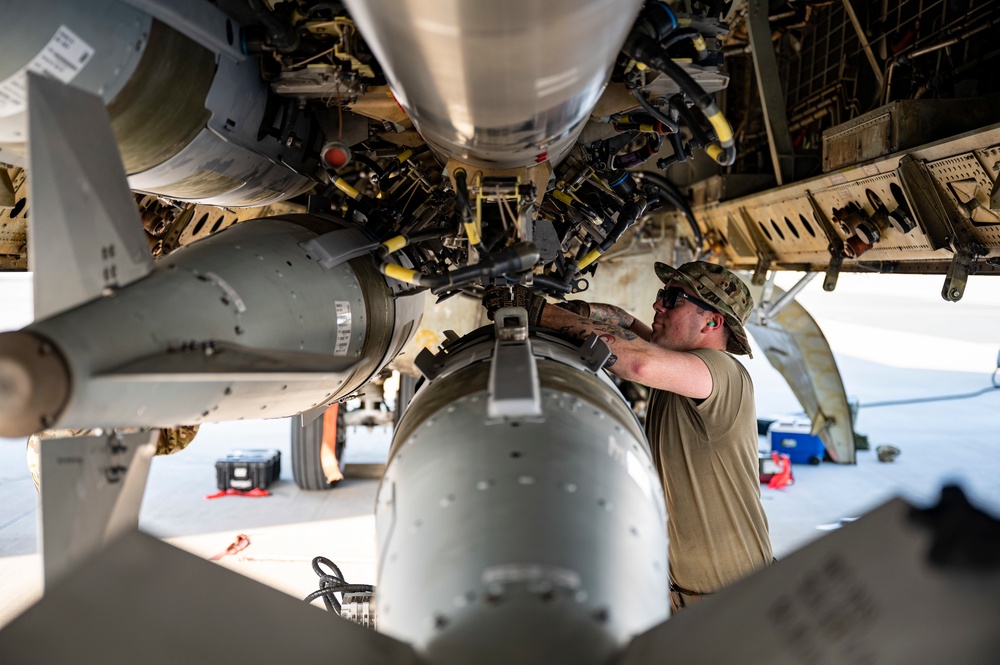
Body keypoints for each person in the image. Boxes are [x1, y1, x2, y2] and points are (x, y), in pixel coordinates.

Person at [483, 261, 772, 612]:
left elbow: (639, 363)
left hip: (732, 604)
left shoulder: (722, 372)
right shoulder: (682, 363)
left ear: (712, 322)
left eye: (673, 298)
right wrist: (576, 312)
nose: (658, 305)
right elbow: (622, 321)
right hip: (681, 600)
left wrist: (539, 313)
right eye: (661, 295)